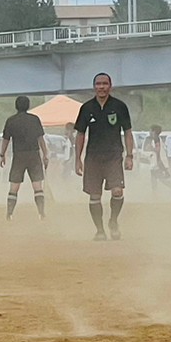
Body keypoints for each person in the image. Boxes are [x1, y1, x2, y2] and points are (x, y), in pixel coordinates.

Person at [74, 72, 135, 240]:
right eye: (98, 84)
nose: (101, 87)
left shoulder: (120, 106)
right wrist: (77, 159)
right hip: (93, 158)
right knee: (95, 195)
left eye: (105, 84)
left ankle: (113, 221)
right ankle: (99, 230)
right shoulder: (86, 108)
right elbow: (80, 135)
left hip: (114, 156)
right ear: (94, 87)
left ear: (110, 86)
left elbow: (128, 132)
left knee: (117, 191)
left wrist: (130, 155)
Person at [0, 95, 50, 221]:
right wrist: (45, 154)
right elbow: (40, 139)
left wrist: (2, 155)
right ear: (28, 105)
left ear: (16, 106)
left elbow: (6, 139)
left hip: (19, 156)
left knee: (14, 186)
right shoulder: (34, 119)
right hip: (34, 154)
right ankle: (41, 213)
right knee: (37, 186)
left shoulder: (11, 120)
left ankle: (9, 214)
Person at [148, 125, 171, 191]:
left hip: (157, 162)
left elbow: (157, 150)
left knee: (161, 179)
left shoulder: (156, 138)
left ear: (154, 131)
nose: (149, 132)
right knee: (155, 179)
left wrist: (151, 148)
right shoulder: (156, 138)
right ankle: (155, 194)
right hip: (156, 162)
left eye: (150, 130)